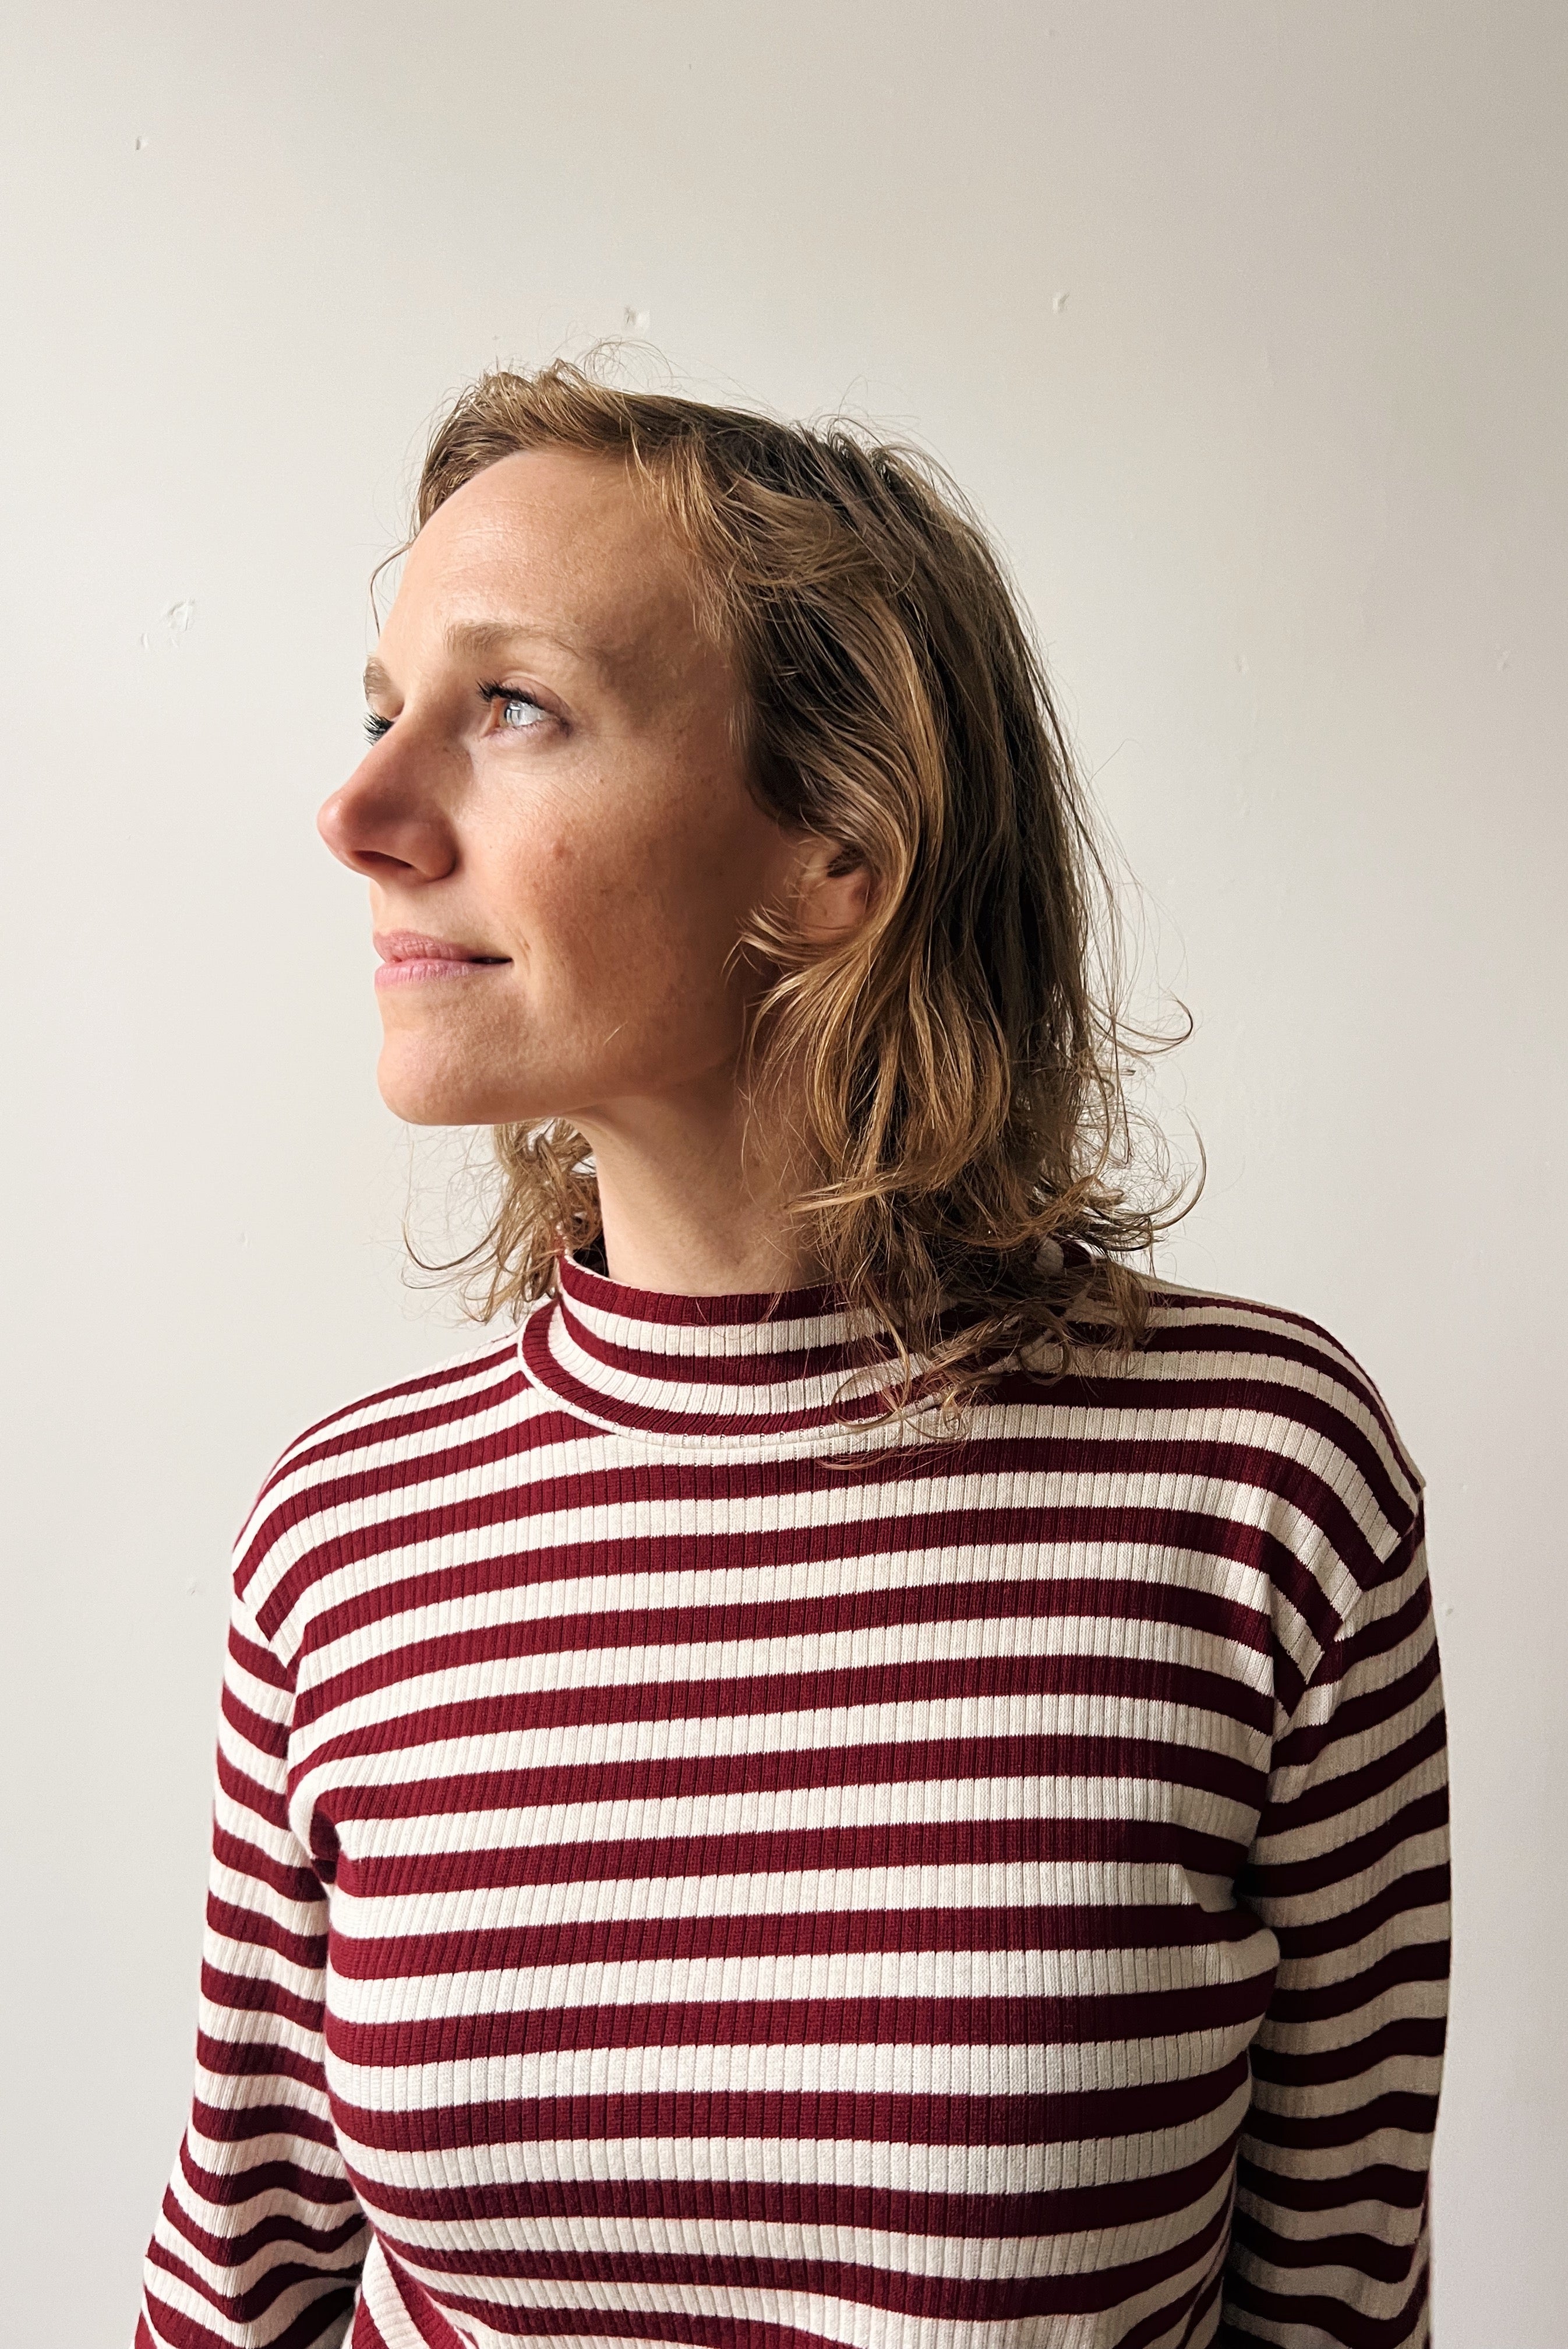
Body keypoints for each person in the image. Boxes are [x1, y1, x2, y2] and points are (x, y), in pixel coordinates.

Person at [134, 361, 1449, 2349]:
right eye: (379, 709)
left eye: (511, 707)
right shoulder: (345, 1544)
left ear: (838, 840)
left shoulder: (1254, 1486)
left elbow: (1338, 2302)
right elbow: (237, 2294)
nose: (362, 812)